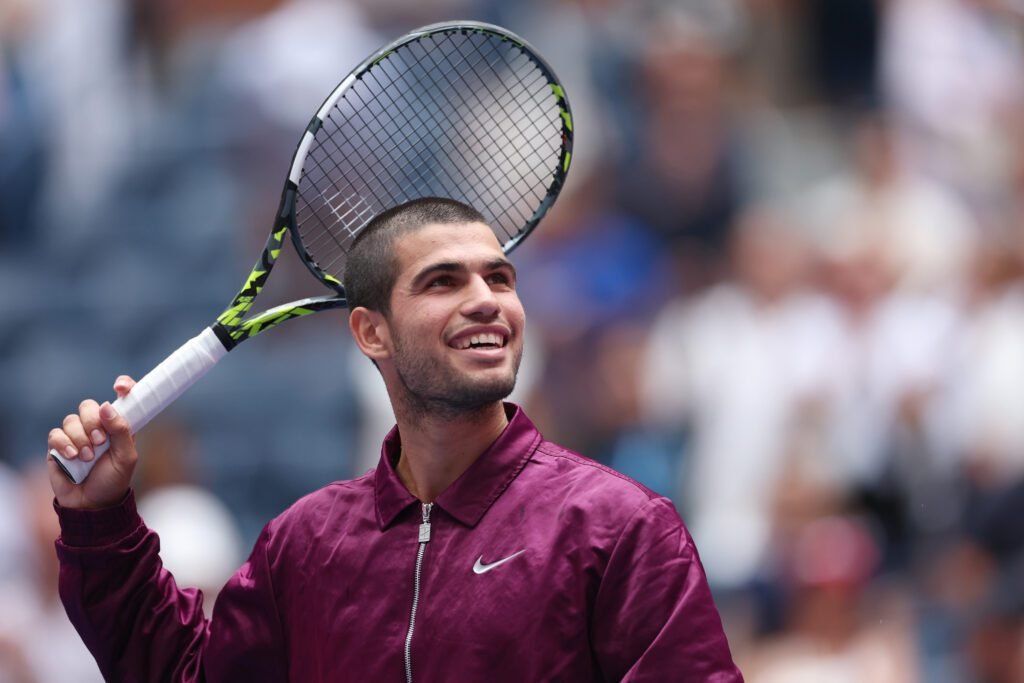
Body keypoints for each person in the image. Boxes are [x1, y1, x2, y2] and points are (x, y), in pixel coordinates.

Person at [46, 197, 743, 681]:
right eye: (443, 281)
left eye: (500, 278)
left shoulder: (621, 528)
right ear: (370, 332)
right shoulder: (304, 545)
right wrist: (99, 517)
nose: (486, 299)